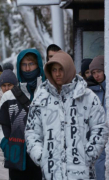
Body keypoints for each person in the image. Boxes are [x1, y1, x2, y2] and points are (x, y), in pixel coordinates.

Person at [25, 51, 108, 180]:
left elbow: (100, 127)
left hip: (82, 173)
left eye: (61, 69)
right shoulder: (41, 97)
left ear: (69, 69)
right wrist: (42, 157)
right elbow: (31, 131)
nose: (57, 74)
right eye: (54, 70)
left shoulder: (87, 97)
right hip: (52, 174)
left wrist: (88, 156)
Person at [0, 49, 45, 180]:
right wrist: (6, 145)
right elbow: (0, 126)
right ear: (19, 66)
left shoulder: (48, 93)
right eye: (24, 64)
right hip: (17, 157)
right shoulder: (9, 96)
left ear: (38, 65)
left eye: (31, 64)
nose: (28, 68)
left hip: (44, 158)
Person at [87, 55, 107, 180]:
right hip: (98, 134)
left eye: (99, 71)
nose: (96, 75)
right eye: (93, 73)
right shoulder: (91, 91)